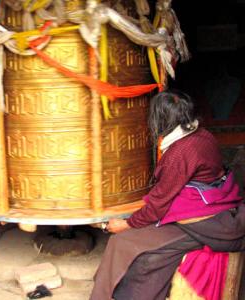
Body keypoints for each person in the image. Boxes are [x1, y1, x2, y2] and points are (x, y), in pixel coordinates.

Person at [90, 90, 245, 300]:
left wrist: (125, 224)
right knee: (131, 246)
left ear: (159, 120)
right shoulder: (203, 135)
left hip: (206, 223)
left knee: (124, 244)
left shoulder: (180, 152)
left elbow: (157, 205)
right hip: (213, 211)